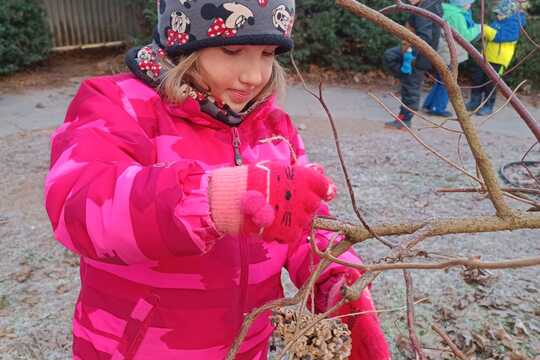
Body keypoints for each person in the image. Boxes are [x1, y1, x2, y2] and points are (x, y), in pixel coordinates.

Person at [43, 0, 390, 359]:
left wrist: (337, 279)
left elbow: (303, 222)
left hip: (245, 347)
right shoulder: (119, 105)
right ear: (183, 45)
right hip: (140, 349)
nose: (254, 75)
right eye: (232, 50)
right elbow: (76, 203)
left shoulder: (275, 130)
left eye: (268, 53)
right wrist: (214, 200)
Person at [383, 0, 443, 130]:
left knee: (411, 86)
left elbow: (424, 37)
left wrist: (411, 55)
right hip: (415, 51)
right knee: (390, 56)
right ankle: (404, 116)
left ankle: (405, 120)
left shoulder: (424, 10)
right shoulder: (424, 6)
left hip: (418, 55)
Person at [466, 0, 527, 115]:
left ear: (509, 14)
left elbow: (500, 36)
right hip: (486, 55)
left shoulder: (514, 25)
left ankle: (488, 105)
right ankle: (474, 101)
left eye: (501, 14)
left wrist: (486, 30)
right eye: (497, 14)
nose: (498, 16)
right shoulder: (499, 20)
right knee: (477, 78)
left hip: (499, 59)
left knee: (491, 83)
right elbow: (491, 32)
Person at [422, 0, 481, 117]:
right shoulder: (457, 15)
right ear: (462, 4)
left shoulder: (447, 10)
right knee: (448, 82)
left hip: (443, 51)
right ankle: (437, 108)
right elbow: (465, 36)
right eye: (469, 3)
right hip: (448, 53)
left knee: (441, 80)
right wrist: (479, 28)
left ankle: (429, 104)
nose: (470, 5)